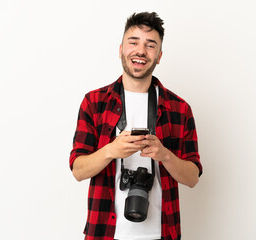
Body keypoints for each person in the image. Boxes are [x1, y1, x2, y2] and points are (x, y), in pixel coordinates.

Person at [69, 12, 202, 240]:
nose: (141, 51)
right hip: (106, 232)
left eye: (150, 45)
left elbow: (193, 178)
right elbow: (78, 171)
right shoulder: (94, 103)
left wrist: (164, 155)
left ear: (159, 56)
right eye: (133, 42)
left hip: (162, 233)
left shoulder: (179, 109)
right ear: (120, 49)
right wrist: (112, 150)